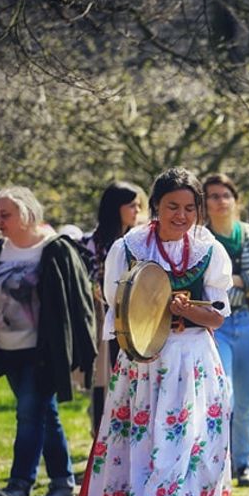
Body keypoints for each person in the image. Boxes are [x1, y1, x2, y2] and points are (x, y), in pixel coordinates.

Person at [60, 167, 233, 496]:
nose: (182, 215)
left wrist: (186, 310)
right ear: (156, 205)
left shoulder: (210, 250)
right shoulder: (129, 247)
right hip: (143, 367)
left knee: (186, 462)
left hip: (192, 364)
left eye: (190, 207)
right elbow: (116, 312)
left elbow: (217, 316)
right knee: (139, 460)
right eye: (173, 206)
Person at [0, 187, 96, 496]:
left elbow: (74, 301)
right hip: (6, 348)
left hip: (42, 351)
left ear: (27, 214)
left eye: (5, 215)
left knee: (28, 414)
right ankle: (62, 482)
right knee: (43, 414)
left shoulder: (53, 249)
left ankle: (19, 485)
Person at [204, 173, 249, 488]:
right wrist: (239, 280)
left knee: (247, 398)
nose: (220, 201)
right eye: (213, 196)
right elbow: (205, 285)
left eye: (225, 195)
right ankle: (220, 461)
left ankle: (245, 463)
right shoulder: (201, 239)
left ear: (235, 199)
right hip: (217, 323)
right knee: (221, 394)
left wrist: (230, 281)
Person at [82, 181, 147, 436]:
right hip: (103, 320)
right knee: (105, 380)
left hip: (137, 322)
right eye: (131, 205)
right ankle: (102, 436)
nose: (137, 210)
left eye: (139, 205)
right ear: (115, 208)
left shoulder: (139, 242)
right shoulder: (91, 244)